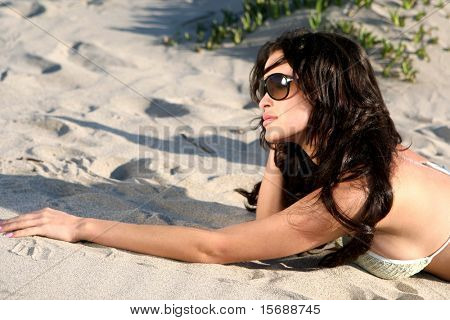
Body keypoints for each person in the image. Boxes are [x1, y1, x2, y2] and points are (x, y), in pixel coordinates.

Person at [0, 29, 448, 281]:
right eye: (262, 88)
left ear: (327, 87)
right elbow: (266, 230)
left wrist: (82, 225)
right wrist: (279, 149)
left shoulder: (360, 188)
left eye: (278, 85)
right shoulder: (364, 154)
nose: (263, 101)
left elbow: (215, 248)